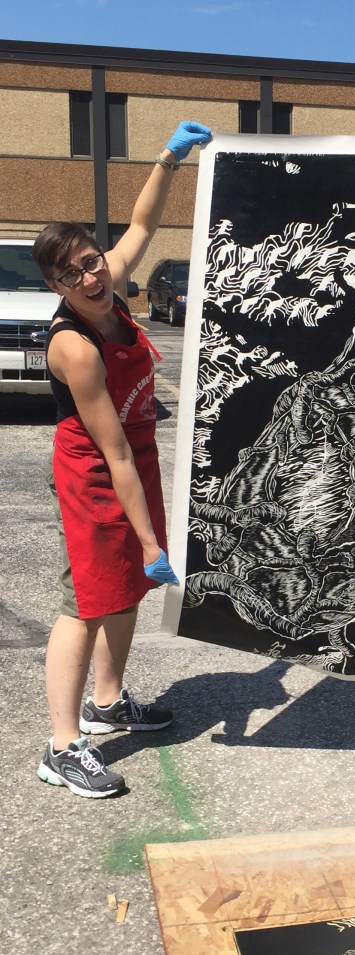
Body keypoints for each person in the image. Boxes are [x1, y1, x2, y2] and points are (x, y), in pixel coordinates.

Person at [33, 120, 212, 798]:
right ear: (57, 286)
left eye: (92, 261)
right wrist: (148, 539)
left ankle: (107, 702)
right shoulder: (74, 346)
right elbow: (111, 450)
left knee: (128, 588)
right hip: (95, 469)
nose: (91, 275)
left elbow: (141, 224)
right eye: (72, 273)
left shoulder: (109, 278)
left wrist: (168, 158)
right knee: (85, 600)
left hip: (134, 455)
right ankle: (61, 745)